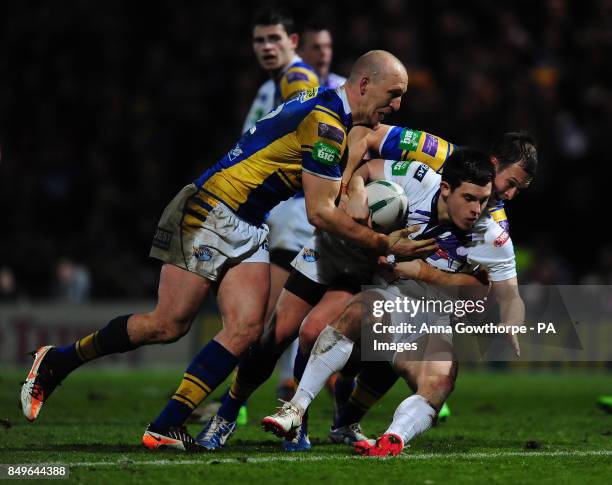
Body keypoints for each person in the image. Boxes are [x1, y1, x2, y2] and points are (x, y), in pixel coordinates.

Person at [21, 49, 429, 452]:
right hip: (212, 209)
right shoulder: (326, 125)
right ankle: (57, 361)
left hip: (248, 221)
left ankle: (166, 425)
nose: (397, 104)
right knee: (168, 325)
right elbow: (320, 212)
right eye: (393, 93)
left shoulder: (328, 112)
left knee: (247, 329)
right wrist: (380, 242)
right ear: (363, 84)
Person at [202, 129, 535, 450]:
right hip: (336, 247)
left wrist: (505, 317)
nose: (509, 195)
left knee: (322, 332)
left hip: (375, 273)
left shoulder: (492, 229)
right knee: (277, 334)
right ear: (490, 167)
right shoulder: (427, 165)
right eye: (511, 183)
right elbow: (369, 138)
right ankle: (228, 414)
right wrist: (355, 188)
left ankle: (310, 420)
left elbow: (485, 289)